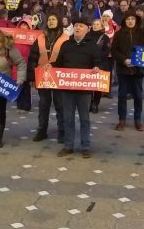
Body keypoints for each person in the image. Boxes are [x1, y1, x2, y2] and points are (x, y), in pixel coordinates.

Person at [53, 17, 104, 158]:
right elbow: (58, 64)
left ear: (87, 29)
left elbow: (98, 62)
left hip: (84, 89)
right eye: (76, 25)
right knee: (68, 118)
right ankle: (68, 145)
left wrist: (96, 67)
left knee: (84, 118)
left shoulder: (92, 46)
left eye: (81, 26)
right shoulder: (66, 45)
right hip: (67, 88)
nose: (77, 28)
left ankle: (85, 146)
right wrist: (49, 67)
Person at [28, 14, 69, 142]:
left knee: (60, 105)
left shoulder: (66, 38)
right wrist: (31, 77)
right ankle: (42, 130)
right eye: (49, 20)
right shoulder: (40, 37)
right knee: (44, 104)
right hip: (42, 75)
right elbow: (33, 58)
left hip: (58, 75)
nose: (51, 22)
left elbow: (69, 58)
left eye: (54, 19)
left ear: (59, 22)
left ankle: (62, 131)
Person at [111, 12, 144, 130]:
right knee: (122, 95)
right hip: (123, 69)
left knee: (138, 96)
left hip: (138, 69)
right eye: (128, 19)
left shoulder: (143, 33)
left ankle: (137, 120)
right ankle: (122, 120)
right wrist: (124, 60)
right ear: (124, 21)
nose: (130, 21)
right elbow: (114, 51)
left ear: (136, 20)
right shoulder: (119, 34)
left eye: (132, 19)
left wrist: (136, 60)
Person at [88, 18, 111, 113]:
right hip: (88, 63)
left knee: (97, 85)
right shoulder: (87, 36)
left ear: (101, 26)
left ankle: (95, 104)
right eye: (94, 24)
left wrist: (97, 58)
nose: (95, 25)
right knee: (88, 85)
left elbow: (107, 50)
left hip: (101, 63)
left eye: (98, 24)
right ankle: (89, 102)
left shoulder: (105, 37)